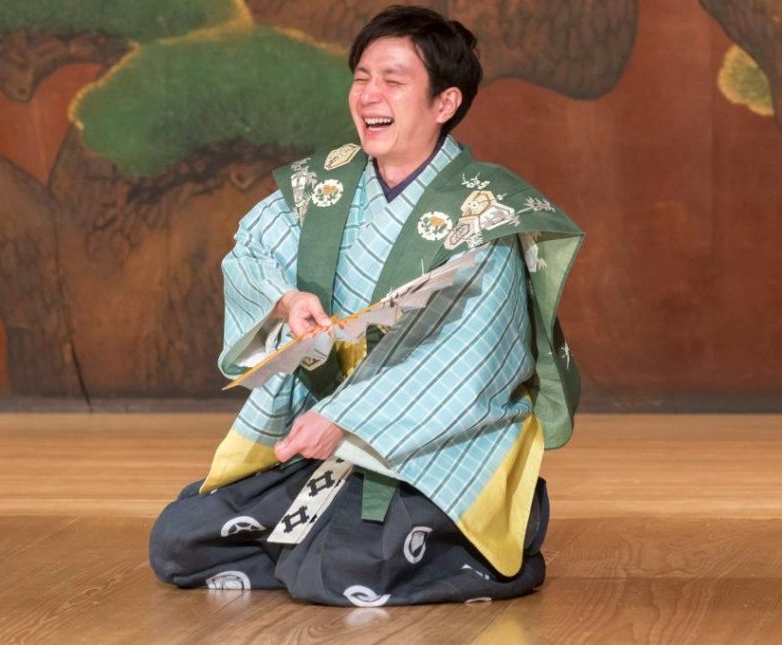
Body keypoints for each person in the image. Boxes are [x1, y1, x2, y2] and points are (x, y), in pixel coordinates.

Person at [150, 5, 583, 607]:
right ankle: (329, 536)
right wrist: (287, 299)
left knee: (332, 570)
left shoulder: (483, 214)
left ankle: (499, 539)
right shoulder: (327, 186)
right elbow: (249, 253)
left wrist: (347, 418)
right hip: (326, 439)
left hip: (433, 443)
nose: (369, 94)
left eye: (393, 80)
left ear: (445, 103)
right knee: (177, 543)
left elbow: (467, 363)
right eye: (362, 76)